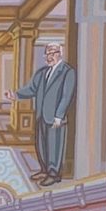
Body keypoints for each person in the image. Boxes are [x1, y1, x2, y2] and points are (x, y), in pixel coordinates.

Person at [19, 39, 75, 185]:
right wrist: (16, 95)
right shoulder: (42, 73)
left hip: (55, 117)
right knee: (41, 144)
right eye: (47, 54)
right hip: (41, 115)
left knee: (54, 145)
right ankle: (44, 170)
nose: (49, 56)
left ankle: (54, 174)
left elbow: (66, 96)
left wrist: (59, 116)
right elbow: (31, 89)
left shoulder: (67, 72)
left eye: (52, 53)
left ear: (59, 54)